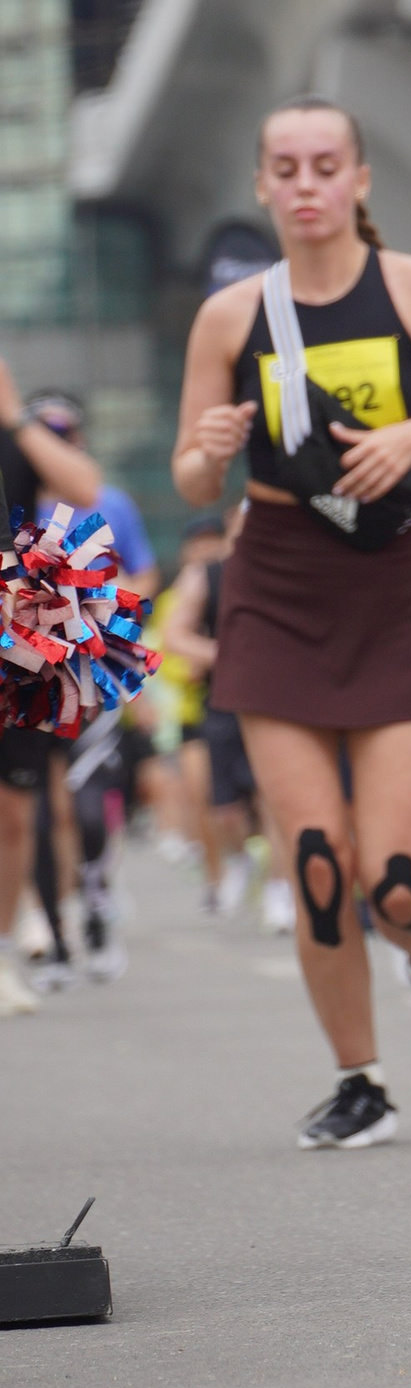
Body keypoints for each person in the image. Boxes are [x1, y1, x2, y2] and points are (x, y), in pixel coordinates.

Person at [169, 99, 411, 1146]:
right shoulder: (232, 317)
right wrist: (214, 442)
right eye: (287, 166)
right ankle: (360, 1076)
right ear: (265, 185)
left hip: (394, 579)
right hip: (277, 581)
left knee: (397, 879)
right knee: (317, 859)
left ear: (360, 178)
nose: (307, 182)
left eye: (327, 163)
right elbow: (192, 478)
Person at [0, 362, 104, 1016]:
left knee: (15, 812)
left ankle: (4, 945)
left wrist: (15, 414)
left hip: (16, 633)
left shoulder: (18, 432)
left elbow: (84, 484)